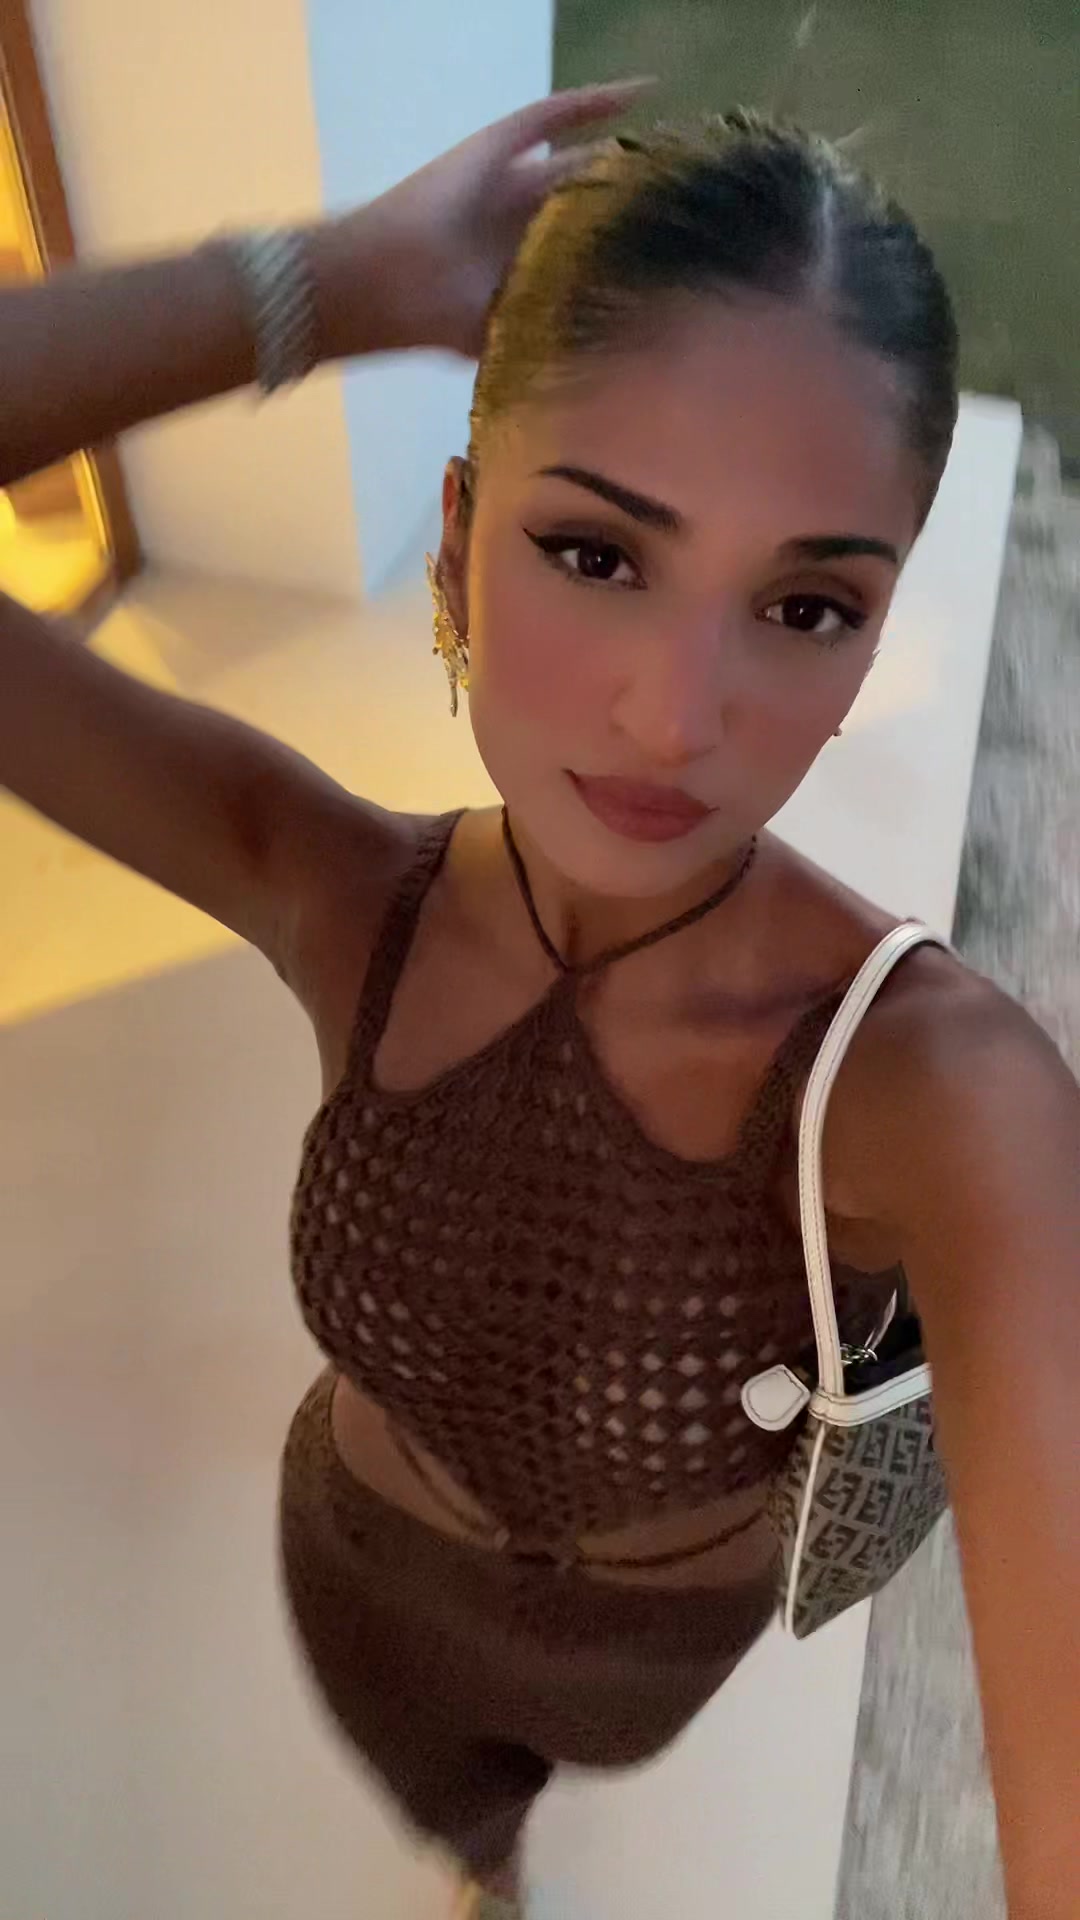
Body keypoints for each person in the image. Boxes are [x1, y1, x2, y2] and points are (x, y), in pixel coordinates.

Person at [1, 82, 1077, 1920]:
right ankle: (484, 1868)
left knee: (535, 1780)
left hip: (644, 1659)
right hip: (352, 1566)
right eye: (597, 554)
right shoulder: (331, 890)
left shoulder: (936, 1092)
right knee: (456, 1821)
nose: (678, 716)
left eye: (805, 607)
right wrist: (320, 286)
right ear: (455, 542)